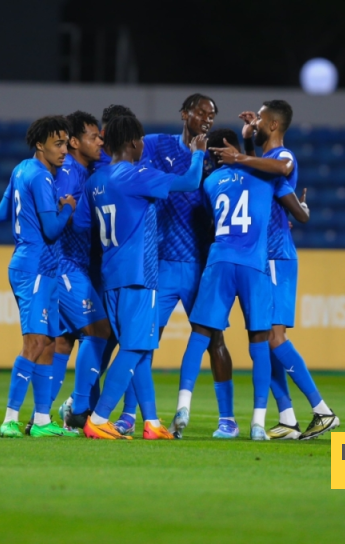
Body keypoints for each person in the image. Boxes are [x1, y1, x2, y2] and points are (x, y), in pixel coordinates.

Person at [211, 100, 340, 440]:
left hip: (275, 257)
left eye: (261, 117)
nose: (254, 119)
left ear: (273, 125)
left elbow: (281, 169)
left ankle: (322, 410)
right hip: (258, 259)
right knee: (262, 339)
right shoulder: (262, 165)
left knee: (274, 337)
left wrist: (240, 155)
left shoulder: (284, 157)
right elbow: (292, 205)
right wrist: (249, 140)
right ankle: (286, 417)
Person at [111, 94, 235, 440]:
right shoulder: (155, 145)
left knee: (216, 340)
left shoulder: (216, 156)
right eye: (201, 113)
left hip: (200, 264)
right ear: (185, 114)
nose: (207, 120)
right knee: (144, 341)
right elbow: (127, 163)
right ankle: (128, 416)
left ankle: (228, 419)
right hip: (161, 262)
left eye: (212, 115)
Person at [81, 115, 207, 440]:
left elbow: (82, 225)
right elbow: (191, 182)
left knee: (135, 346)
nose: (142, 146)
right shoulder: (137, 175)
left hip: (111, 274)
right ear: (132, 142)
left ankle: (151, 422)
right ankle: (98, 418)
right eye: (139, 141)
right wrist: (198, 152)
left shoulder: (95, 180)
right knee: (136, 349)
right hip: (139, 274)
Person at [175, 128, 274, 441]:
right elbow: (266, 168)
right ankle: (258, 423)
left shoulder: (209, 183)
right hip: (253, 265)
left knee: (201, 334)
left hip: (219, 260)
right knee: (259, 341)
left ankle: (183, 405)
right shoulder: (263, 177)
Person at [0, 115, 76, 438]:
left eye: (66, 144)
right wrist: (66, 207)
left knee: (50, 342)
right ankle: (9, 418)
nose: (64, 151)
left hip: (32, 264)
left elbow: (2, 213)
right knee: (36, 342)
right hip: (37, 267)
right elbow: (53, 231)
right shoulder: (42, 177)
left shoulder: (20, 170)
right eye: (57, 144)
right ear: (40, 144)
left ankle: (41, 419)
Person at [42, 111, 112, 435]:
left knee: (63, 342)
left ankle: (41, 416)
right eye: (94, 136)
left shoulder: (90, 169)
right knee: (98, 332)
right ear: (73, 141)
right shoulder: (68, 172)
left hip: (79, 266)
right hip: (66, 265)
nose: (100, 141)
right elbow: (55, 213)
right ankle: (79, 410)